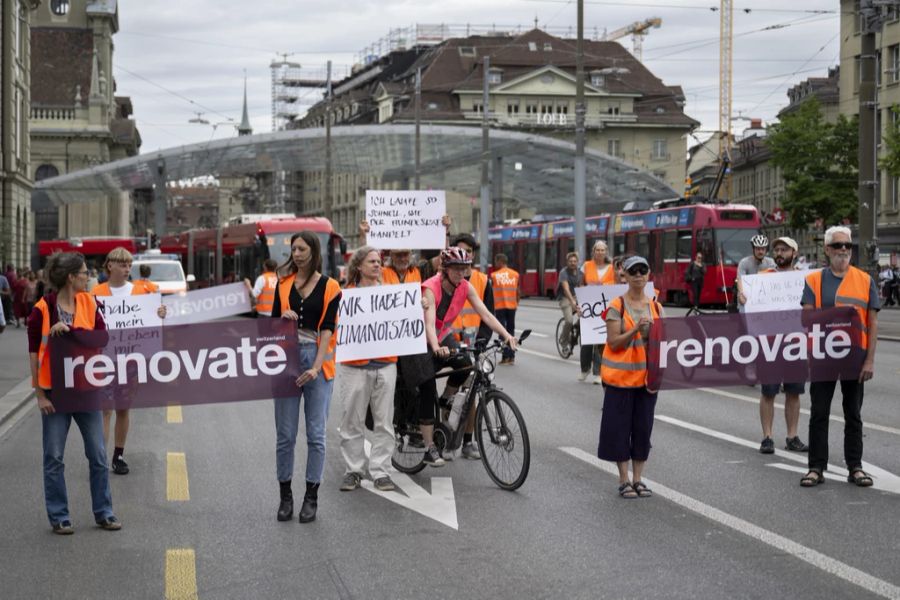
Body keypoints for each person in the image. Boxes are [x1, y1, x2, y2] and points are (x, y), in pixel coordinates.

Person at [27, 252, 121, 534]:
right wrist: (40, 395)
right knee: (54, 457)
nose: (88, 277)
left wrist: (70, 329)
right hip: (55, 394)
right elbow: (34, 355)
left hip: (86, 391)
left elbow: (102, 338)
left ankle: (104, 512)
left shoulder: (89, 302)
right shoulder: (41, 311)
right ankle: (60, 517)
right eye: (83, 273)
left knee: (98, 456)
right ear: (70, 277)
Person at [419, 247, 517, 465]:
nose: (461, 273)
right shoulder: (431, 287)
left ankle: (445, 400)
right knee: (425, 383)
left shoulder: (465, 286)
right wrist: (436, 347)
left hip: (442, 334)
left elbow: (486, 314)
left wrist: (507, 335)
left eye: (464, 268)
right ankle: (429, 447)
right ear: (444, 269)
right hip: (422, 337)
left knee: (466, 365)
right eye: (456, 269)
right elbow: (428, 323)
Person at [799, 226, 879, 488]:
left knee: (853, 415)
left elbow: (873, 323)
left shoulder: (865, 280)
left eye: (847, 245)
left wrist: (869, 360)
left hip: (855, 359)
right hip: (823, 356)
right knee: (819, 413)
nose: (843, 250)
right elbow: (806, 318)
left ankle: (855, 467)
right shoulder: (813, 281)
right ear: (827, 250)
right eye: (838, 246)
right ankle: (816, 467)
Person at [271, 231, 341, 523]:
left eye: (301, 249)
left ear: (313, 251)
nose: (296, 254)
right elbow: (270, 330)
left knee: (316, 435)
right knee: (285, 436)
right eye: (293, 249)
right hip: (286, 359)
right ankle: (285, 495)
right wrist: (281, 319)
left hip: (317, 360)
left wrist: (316, 365)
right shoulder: (283, 283)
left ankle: (311, 496)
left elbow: (328, 328)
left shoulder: (330, 286)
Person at [93, 247, 166, 476]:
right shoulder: (96, 293)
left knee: (123, 408)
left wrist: (160, 314)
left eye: (129, 265)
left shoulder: (141, 292)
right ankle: (100, 457)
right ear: (110, 266)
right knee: (105, 409)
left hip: (130, 361)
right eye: (122, 264)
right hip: (103, 359)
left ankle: (119, 455)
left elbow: (151, 325)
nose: (127, 269)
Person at [597, 256, 664, 499]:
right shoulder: (617, 305)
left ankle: (638, 479)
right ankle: (624, 480)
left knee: (642, 429)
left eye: (642, 270)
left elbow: (665, 342)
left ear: (648, 275)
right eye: (633, 271)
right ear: (624, 275)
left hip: (647, 381)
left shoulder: (656, 306)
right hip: (620, 379)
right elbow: (613, 342)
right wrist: (635, 329)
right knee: (619, 429)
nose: (638, 275)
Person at [337, 247, 399, 493]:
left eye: (379, 261)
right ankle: (353, 470)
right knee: (352, 421)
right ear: (359, 266)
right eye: (372, 261)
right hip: (355, 367)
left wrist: (421, 304)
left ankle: (381, 472)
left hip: (386, 364)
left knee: (384, 423)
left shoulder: (391, 295)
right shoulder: (346, 296)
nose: (377, 265)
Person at [757, 237, 808, 454]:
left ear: (794, 253)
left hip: (796, 343)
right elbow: (751, 301)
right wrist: (743, 295)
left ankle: (792, 435)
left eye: (784, 250)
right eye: (777, 249)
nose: (779, 253)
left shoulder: (805, 278)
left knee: (794, 392)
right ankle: (767, 437)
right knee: (768, 392)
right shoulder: (763, 277)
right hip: (770, 343)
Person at [580, 240, 616, 384]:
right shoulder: (586, 266)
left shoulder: (613, 267)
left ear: (606, 252)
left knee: (601, 341)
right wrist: (580, 302)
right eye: (597, 250)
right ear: (593, 251)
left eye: (602, 250)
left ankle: (599, 372)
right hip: (590, 307)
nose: (600, 252)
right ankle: (584, 369)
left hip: (606, 307)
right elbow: (581, 284)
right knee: (587, 340)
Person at [490, 253, 520, 365]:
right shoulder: (515, 274)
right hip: (512, 306)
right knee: (511, 331)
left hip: (500, 306)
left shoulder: (494, 275)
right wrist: (517, 303)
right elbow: (518, 291)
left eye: (496, 261)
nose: (495, 264)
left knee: (502, 332)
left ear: (500, 261)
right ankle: (511, 356)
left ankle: (505, 357)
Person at [736, 235, 776, 311]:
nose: (760, 251)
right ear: (753, 249)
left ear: (766, 250)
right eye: (758, 249)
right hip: (747, 299)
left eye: (763, 249)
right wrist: (741, 293)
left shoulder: (770, 262)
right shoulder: (744, 262)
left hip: (764, 299)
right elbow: (740, 279)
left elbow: (775, 277)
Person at [557, 252, 583, 349]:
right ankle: (563, 342)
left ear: (577, 262)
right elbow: (566, 289)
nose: (573, 263)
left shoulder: (580, 272)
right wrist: (572, 301)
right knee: (569, 321)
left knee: (586, 317)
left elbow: (581, 286)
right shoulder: (563, 272)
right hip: (565, 298)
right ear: (567, 262)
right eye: (571, 261)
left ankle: (577, 326)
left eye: (575, 261)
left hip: (576, 296)